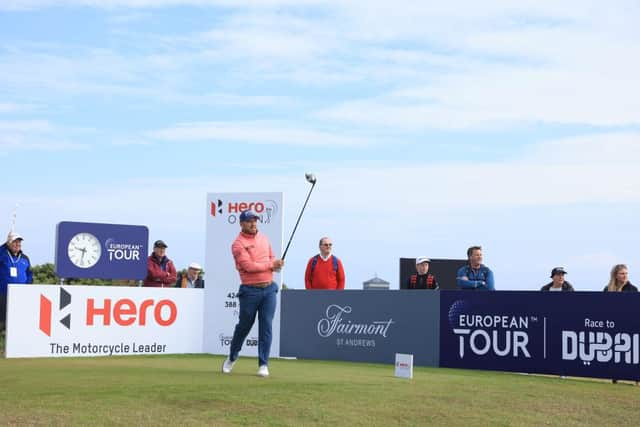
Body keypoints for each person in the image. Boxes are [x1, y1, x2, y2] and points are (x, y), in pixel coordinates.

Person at [222, 210, 284, 377]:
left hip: (269, 289)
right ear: (242, 223)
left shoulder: (264, 238)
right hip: (250, 290)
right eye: (249, 221)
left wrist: (275, 264)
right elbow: (249, 266)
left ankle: (263, 364)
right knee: (244, 327)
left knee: (266, 326)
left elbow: (271, 257)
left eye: (255, 220)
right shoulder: (237, 244)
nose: (253, 223)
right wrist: (271, 265)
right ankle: (232, 356)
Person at [603, 264, 638, 385]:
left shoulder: (633, 289)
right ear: (616, 275)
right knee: (615, 351)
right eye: (622, 273)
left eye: (626, 273)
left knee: (632, 352)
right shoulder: (608, 289)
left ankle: (636, 378)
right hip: (612, 325)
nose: (625, 276)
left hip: (629, 324)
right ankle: (615, 377)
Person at [0, 232, 33, 332]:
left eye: (19, 242)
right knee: (2, 319)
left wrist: (28, 288)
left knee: (16, 319)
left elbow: (29, 275)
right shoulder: (3, 255)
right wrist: (5, 244)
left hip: (20, 295)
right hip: (3, 293)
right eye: (14, 242)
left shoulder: (24, 258)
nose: (17, 244)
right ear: (9, 243)